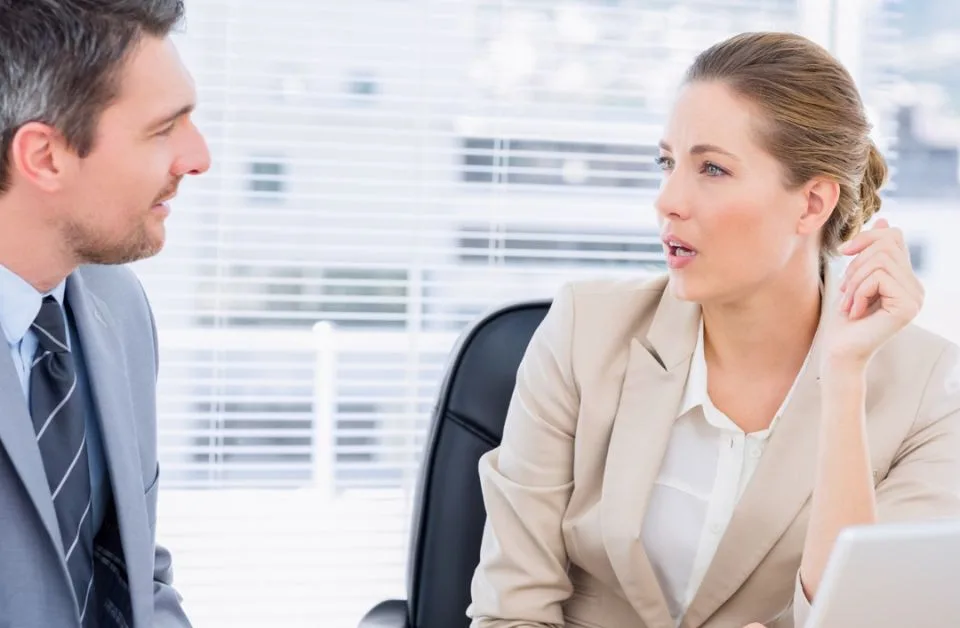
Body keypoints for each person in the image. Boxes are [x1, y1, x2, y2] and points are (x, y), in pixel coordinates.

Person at [466, 31, 960, 628]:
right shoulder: (583, 333)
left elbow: (872, 621)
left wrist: (844, 378)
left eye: (713, 169)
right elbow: (510, 613)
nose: (667, 200)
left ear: (811, 205)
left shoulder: (928, 390)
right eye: (667, 163)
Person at [0, 1, 210, 626]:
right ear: (44, 157)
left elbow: (135, 580)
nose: (197, 158)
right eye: (163, 129)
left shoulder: (117, 307)